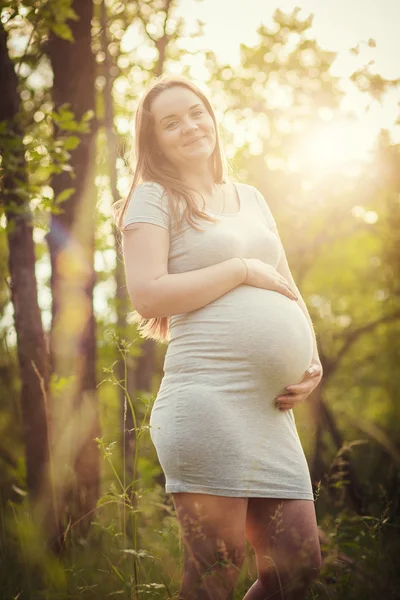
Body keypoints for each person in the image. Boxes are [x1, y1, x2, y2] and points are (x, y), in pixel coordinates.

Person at [114, 74, 323, 600]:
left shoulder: (249, 196)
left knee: (298, 565)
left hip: (270, 412)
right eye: (170, 122)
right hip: (207, 399)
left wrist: (311, 359)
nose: (189, 127)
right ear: (154, 140)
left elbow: (287, 283)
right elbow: (148, 295)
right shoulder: (153, 198)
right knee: (216, 569)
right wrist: (239, 269)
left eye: (196, 112)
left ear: (213, 117)